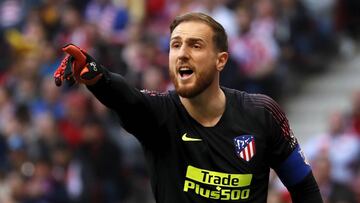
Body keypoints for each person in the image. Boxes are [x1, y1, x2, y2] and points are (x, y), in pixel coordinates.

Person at [54, 12, 322, 203]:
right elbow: (128, 98)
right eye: (175, 45)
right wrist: (98, 77)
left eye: (195, 45)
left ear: (221, 60)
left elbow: (304, 188)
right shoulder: (159, 114)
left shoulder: (262, 113)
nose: (182, 53)